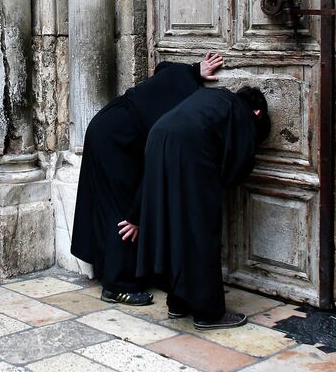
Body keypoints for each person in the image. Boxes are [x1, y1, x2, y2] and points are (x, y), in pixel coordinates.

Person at [71, 53, 224, 306]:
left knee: (112, 205)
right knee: (121, 212)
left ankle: (120, 270)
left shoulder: (179, 75)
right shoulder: (181, 109)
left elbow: (163, 65)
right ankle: (116, 285)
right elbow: (153, 170)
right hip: (117, 140)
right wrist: (136, 215)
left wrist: (196, 69)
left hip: (106, 125)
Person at [136, 86, 270, 329]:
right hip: (190, 150)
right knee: (201, 231)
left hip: (158, 138)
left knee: (174, 225)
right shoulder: (244, 113)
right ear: (258, 113)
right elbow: (238, 165)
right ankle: (208, 313)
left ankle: (177, 302)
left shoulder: (213, 97)